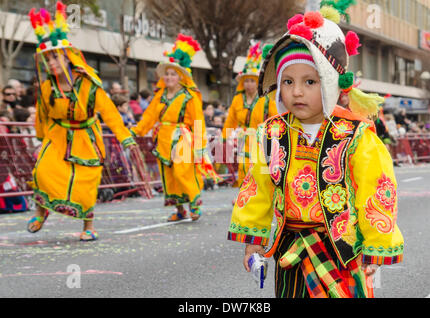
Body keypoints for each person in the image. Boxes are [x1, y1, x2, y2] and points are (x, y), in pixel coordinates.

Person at [227, 5, 404, 298]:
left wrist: (376, 246)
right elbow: (258, 187)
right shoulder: (272, 133)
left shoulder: (355, 134)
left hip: (341, 249)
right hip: (289, 249)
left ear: (332, 83)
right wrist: (253, 239)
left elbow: (377, 191)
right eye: (288, 82)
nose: (297, 92)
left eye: (310, 81)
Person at [27, 2, 142, 241]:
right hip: (57, 136)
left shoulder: (89, 83)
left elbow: (110, 112)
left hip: (86, 136)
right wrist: (39, 138)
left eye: (55, 59)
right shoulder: (47, 87)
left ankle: (88, 225)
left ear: (68, 58)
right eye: (48, 60)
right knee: (42, 171)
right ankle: (41, 212)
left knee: (85, 182)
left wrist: (125, 138)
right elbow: (43, 114)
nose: (51, 64)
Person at [131, 33, 220, 222]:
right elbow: (149, 116)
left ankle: (194, 202)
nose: (169, 77)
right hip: (162, 138)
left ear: (181, 77)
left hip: (183, 137)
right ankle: (180, 209)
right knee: (168, 175)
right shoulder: (160, 95)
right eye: (168, 73)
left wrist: (199, 146)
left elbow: (198, 121)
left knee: (182, 170)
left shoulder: (190, 96)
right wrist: (136, 131)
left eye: (174, 74)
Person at [221, 42, 277, 187]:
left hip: (261, 140)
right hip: (242, 140)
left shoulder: (266, 99)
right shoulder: (238, 99)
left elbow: (275, 119)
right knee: (243, 168)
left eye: (252, 81)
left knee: (260, 171)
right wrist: (224, 139)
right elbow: (230, 121)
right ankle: (243, 197)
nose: (249, 84)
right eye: (246, 81)